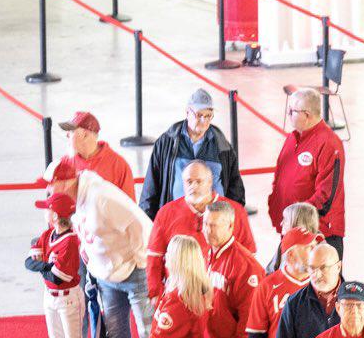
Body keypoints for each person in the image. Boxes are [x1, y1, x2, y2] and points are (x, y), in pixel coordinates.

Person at [45, 158, 154, 338]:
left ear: (68, 181)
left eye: (53, 184)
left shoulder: (102, 196)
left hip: (135, 270)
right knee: (114, 331)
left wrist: (139, 262)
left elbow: (141, 226)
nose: (49, 190)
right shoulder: (74, 201)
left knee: (148, 332)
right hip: (106, 273)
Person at [145, 161, 254, 299]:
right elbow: (154, 258)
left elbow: (249, 257)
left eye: (198, 181)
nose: (193, 186)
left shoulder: (235, 211)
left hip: (222, 297)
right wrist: (157, 294)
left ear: (210, 182)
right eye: (189, 182)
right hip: (179, 298)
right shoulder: (166, 213)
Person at [26, 191, 89, 338]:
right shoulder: (49, 234)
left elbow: (58, 276)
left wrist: (43, 266)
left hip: (69, 298)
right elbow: (29, 263)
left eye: (48, 208)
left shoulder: (70, 240)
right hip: (50, 298)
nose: (45, 212)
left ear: (55, 215)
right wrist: (45, 267)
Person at [139, 88, 246, 220]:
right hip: (175, 220)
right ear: (187, 112)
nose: (204, 121)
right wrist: (148, 224)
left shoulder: (222, 146)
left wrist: (234, 221)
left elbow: (236, 191)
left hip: (213, 224)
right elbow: (150, 190)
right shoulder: (167, 143)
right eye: (199, 115)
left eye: (208, 116)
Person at [200, 199, 264, 338]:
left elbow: (250, 315)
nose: (208, 230)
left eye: (214, 225)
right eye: (206, 224)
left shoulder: (245, 265)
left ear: (230, 226)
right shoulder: (209, 253)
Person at [267, 88, 345, 255]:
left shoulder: (329, 144)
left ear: (307, 114)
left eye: (292, 111)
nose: (287, 114)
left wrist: (295, 217)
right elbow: (281, 175)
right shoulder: (293, 137)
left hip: (318, 233)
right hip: (291, 228)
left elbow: (325, 197)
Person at [245, 227, 314, 338]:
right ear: (291, 255)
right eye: (308, 247)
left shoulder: (322, 282)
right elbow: (256, 332)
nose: (314, 251)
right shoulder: (267, 285)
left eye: (314, 246)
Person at [60, 110, 135, 198]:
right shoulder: (65, 163)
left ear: (85, 135)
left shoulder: (118, 166)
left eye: (71, 132)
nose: (67, 135)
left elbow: (129, 207)